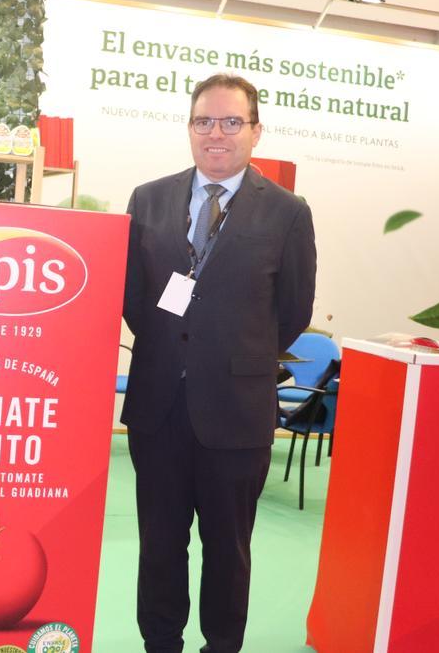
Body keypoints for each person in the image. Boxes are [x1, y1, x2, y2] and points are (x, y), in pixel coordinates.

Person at [121, 73, 316, 653]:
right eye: (204, 121)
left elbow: (293, 313)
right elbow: (134, 297)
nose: (217, 134)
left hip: (236, 411)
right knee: (159, 542)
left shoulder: (287, 212)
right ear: (189, 128)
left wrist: (229, 357)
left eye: (232, 122)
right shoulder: (148, 198)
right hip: (158, 405)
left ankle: (221, 645)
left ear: (255, 132)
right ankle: (160, 642)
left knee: (228, 545)